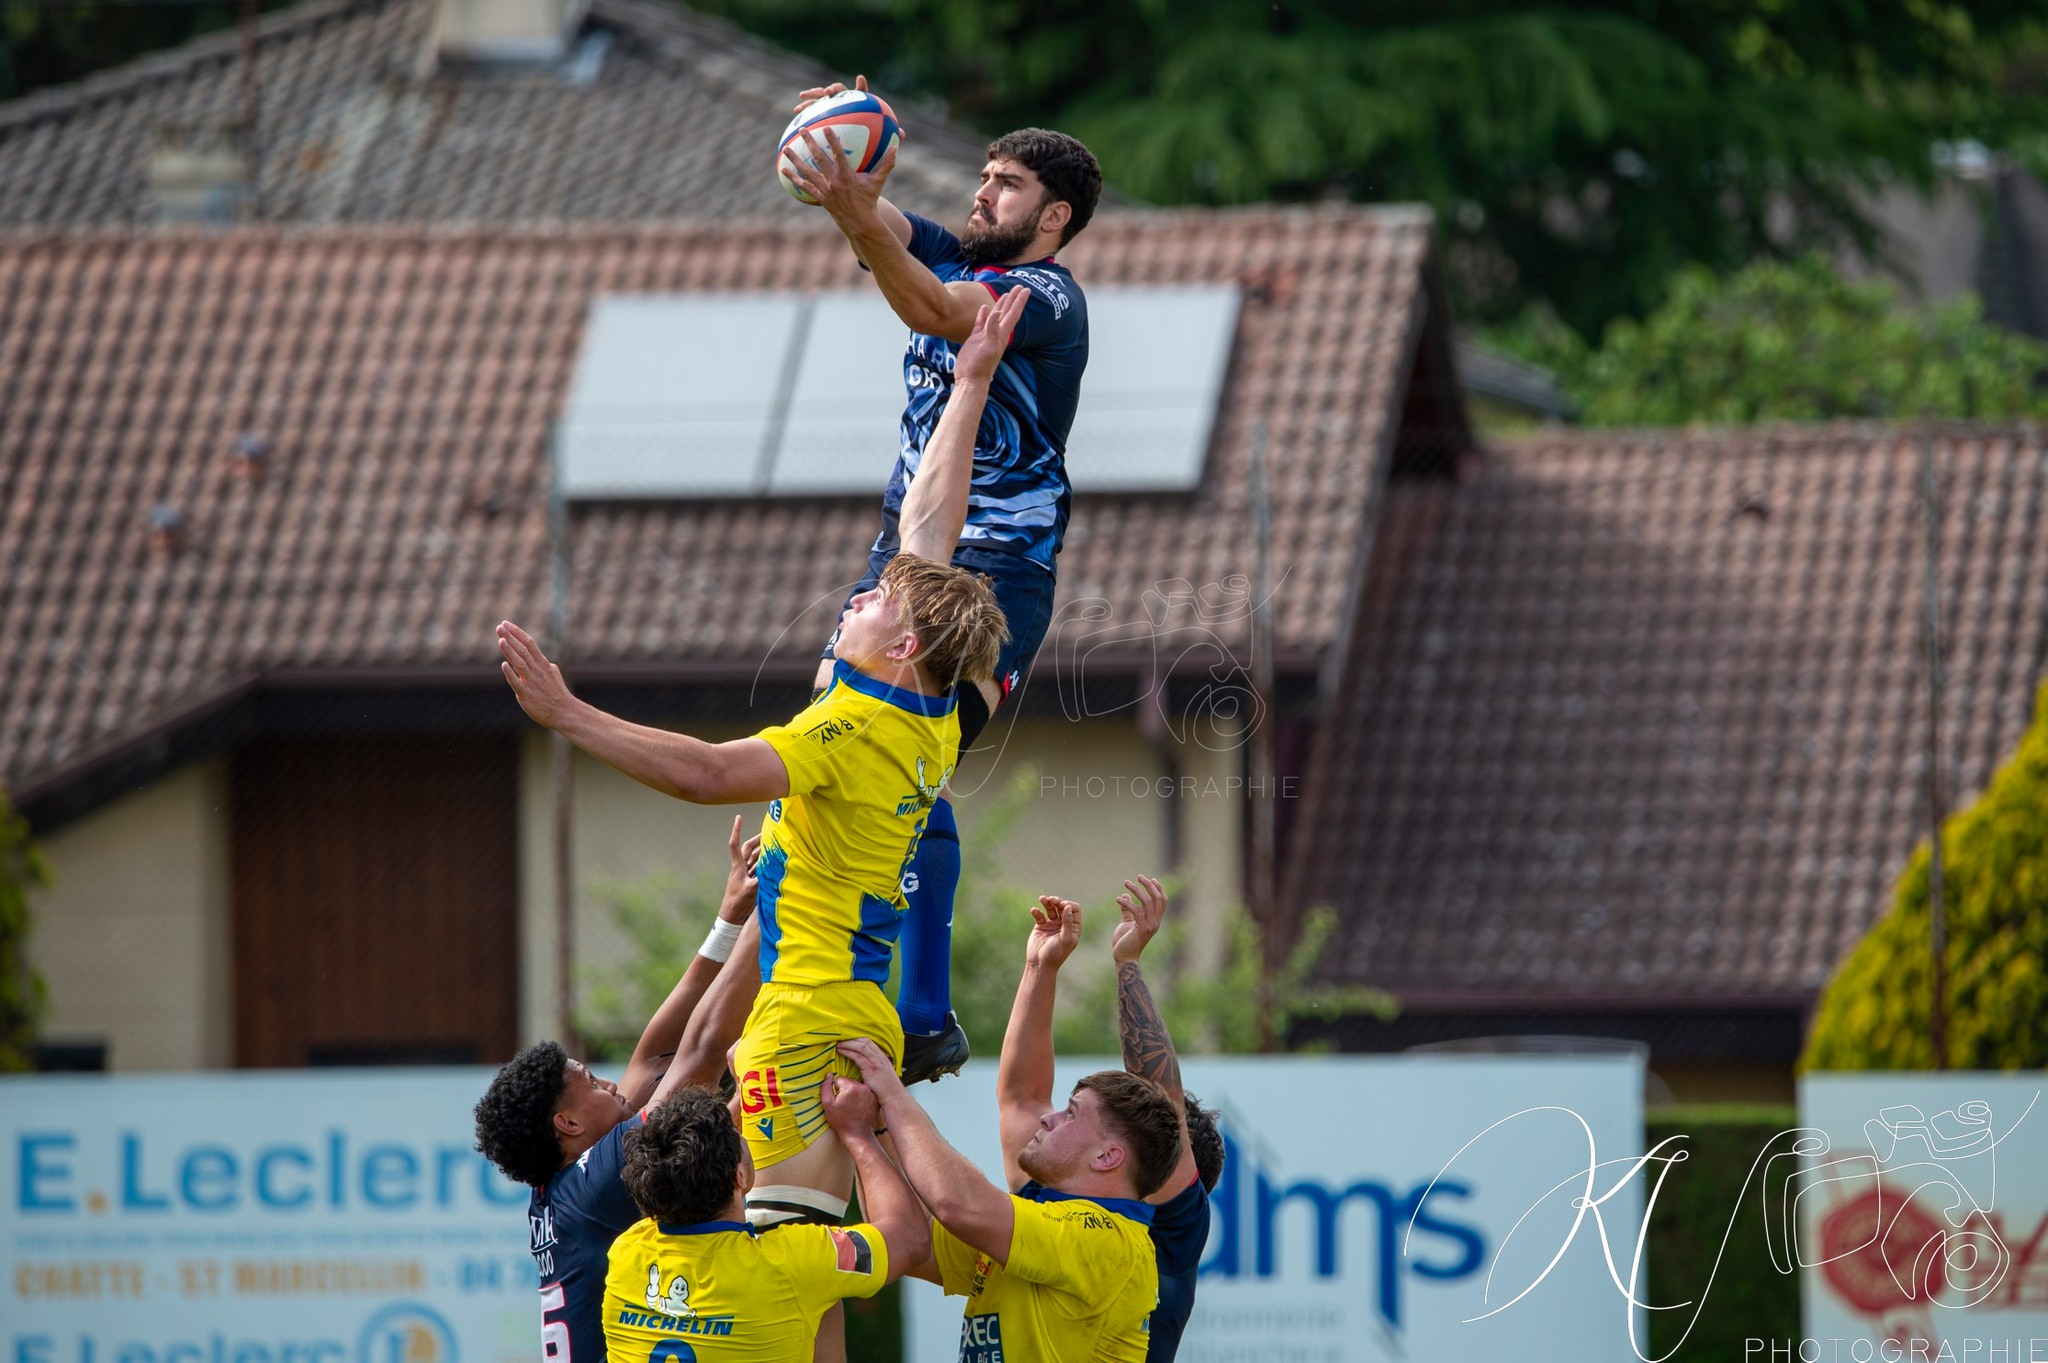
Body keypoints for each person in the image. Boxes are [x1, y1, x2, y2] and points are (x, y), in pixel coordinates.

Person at [497, 300, 1019, 1237]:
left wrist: (566, 713)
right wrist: (971, 382)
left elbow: (702, 773)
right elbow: (928, 528)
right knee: (799, 1256)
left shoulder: (849, 728)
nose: (856, 598)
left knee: (791, 1253)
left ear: (901, 642)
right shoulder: (928, 708)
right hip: (837, 1003)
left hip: (807, 1015)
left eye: (870, 605)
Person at [782, 83, 1103, 1080]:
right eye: (982, 175)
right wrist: (841, 171)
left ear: (1051, 218)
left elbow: (926, 305)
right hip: (903, 550)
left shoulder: (1044, 297)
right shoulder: (961, 246)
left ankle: (920, 1008)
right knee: (847, 739)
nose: (982, 193)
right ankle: (875, 980)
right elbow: (880, 224)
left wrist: (849, 211)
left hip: (997, 564)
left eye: (1005, 185)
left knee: (904, 741)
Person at [473, 818, 765, 1363]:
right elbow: (699, 1051)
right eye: (589, 1080)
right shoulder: (598, 1180)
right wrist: (778, 895)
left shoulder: (574, 1185)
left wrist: (732, 916)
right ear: (569, 1124)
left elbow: (659, 1056)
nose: (609, 1080)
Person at [836, 993, 1181, 1362]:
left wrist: (891, 1091)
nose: (1049, 1118)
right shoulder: (1042, 1231)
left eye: (1072, 1114)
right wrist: (869, 1132)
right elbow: (908, 1240)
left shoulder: (1109, 1241)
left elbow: (958, 1204)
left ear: (1108, 1156)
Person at [1004, 876, 1225, 1362]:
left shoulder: (1167, 1232)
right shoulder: (1049, 1185)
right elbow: (1022, 1099)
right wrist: (1039, 965)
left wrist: (1128, 963)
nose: (1052, 1119)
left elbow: (1159, 1105)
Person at [601, 1080, 929, 1361]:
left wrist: (748, 1092)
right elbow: (910, 1238)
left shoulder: (627, 1254)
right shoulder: (792, 1263)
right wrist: (859, 1132)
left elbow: (675, 1168)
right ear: (740, 1176)